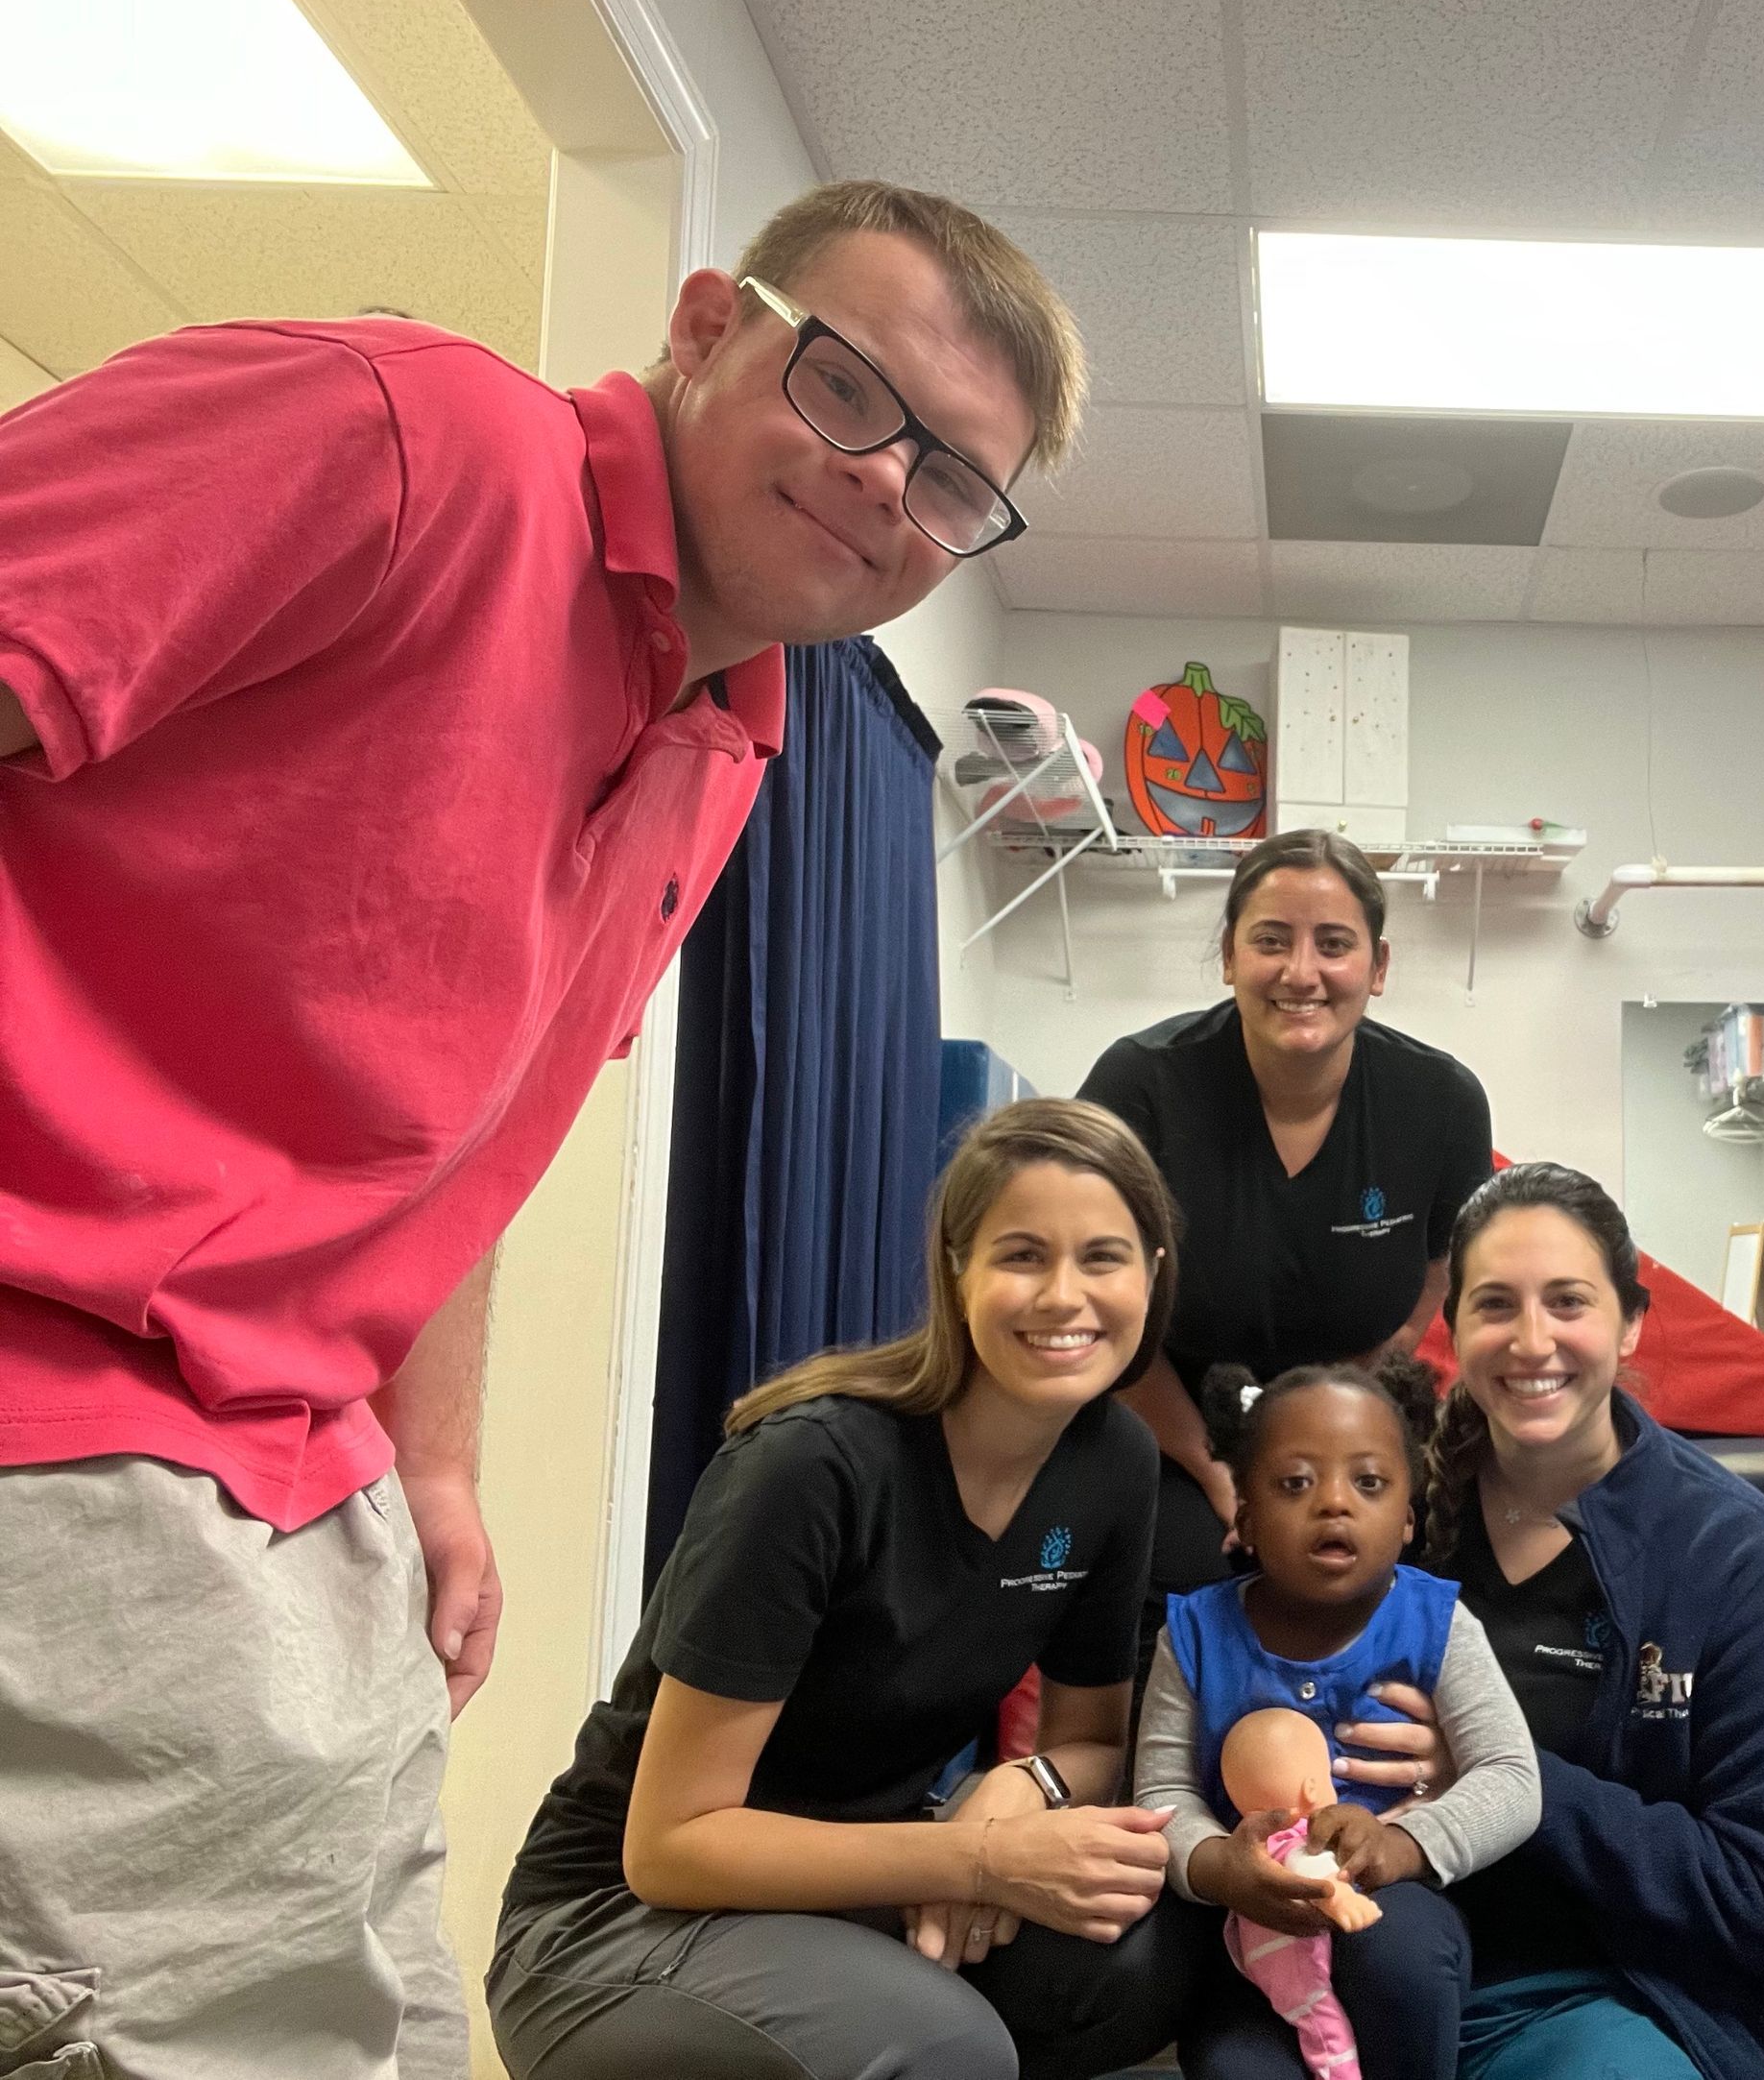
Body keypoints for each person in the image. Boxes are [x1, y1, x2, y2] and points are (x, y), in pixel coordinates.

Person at [0, 181, 1085, 2078]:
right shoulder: (410, 442)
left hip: (305, 1485)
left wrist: (432, 1467)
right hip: (69, 1412)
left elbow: (464, 1124)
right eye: (845, 390)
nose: (880, 484)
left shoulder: (734, 735)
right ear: (701, 328)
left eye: (951, 483)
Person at [488, 1099, 1222, 2080]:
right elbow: (668, 1845)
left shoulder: (1112, 1461)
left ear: (1154, 1274)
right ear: (956, 1268)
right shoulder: (811, 1467)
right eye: (1021, 1255)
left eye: (1102, 1257)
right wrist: (979, 1862)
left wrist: (1011, 1789)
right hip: (614, 1924)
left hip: (849, 1884)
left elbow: (1089, 1741)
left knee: (1135, 1962)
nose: (1063, 1295)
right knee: (949, 2047)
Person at [1347, 1162, 1764, 2078]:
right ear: (1456, 1329)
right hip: (1365, 1961)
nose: (1532, 1341)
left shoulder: (1728, 1555)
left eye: (1567, 1302)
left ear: (1632, 1320)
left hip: (1607, 1991)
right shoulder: (1391, 1516)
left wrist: (1508, 1778)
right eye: (1496, 1305)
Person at [1077, 828, 1495, 1687]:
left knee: (1381, 1583)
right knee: (1195, 1579)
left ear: (1377, 966)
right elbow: (1094, 1307)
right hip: (1164, 1418)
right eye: (1271, 940)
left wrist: (1319, 1442)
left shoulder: (1440, 1102)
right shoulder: (1140, 1086)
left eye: (1333, 944)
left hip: (1344, 1416)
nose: (1301, 973)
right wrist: (1214, 1463)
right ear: (1228, 955)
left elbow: (1436, 1274)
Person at [1136, 1357, 1538, 2079]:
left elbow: (1513, 1779)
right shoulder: (1194, 1635)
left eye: (1370, 1483)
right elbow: (1161, 1798)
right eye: (1295, 1483)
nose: (1334, 1503)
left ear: (1409, 1516)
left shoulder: (1439, 1625)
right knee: (1235, 2068)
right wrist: (1218, 1866)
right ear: (1245, 1518)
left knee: (1402, 1962)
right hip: (1249, 1937)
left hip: (1395, 1913)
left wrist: (1402, 1843)